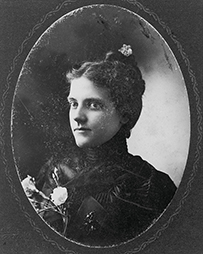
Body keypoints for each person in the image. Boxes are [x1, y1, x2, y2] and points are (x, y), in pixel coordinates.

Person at [24, 44, 177, 246]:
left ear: (124, 113)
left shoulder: (152, 186)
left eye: (93, 105)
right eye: (73, 104)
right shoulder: (55, 172)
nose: (77, 116)